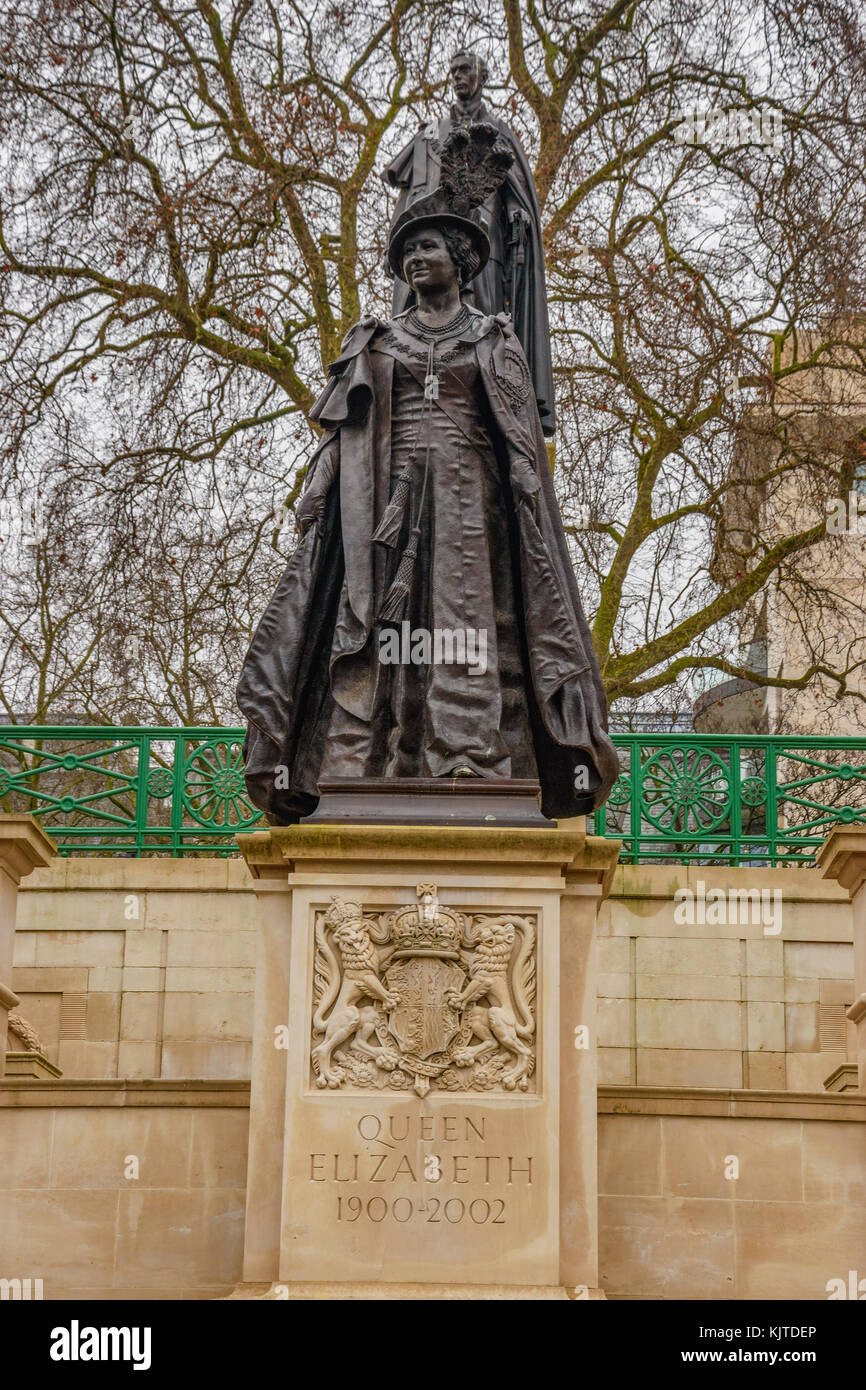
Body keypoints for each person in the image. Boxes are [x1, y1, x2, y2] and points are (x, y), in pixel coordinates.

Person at [237, 126, 616, 823]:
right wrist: (317, 489)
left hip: (473, 508)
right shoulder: (376, 340)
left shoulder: (491, 338)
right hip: (384, 499)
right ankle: (362, 758)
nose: (417, 257)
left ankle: (465, 753)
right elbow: (345, 429)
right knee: (376, 622)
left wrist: (530, 502)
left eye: (430, 247)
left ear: (463, 259)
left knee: (466, 622)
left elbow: (517, 438)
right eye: (408, 250)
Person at [383, 48, 556, 436]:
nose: (457, 77)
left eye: (464, 70)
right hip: (434, 237)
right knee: (423, 313)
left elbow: (514, 189)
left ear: (481, 75)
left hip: (485, 244)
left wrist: (517, 213)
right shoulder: (430, 133)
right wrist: (395, 238)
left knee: (483, 325)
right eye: (453, 71)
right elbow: (407, 194)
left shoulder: (500, 131)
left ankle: (486, 387)